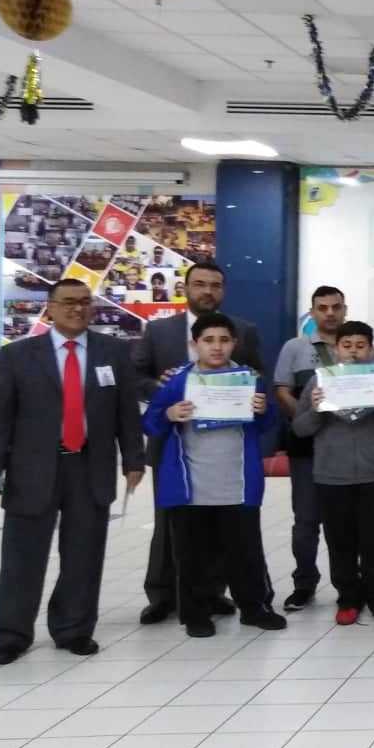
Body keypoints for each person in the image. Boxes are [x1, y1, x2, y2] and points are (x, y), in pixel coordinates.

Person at [0, 280, 144, 665]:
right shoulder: (17, 355)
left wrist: (133, 459)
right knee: (22, 557)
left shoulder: (113, 352)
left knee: (84, 554)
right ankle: (10, 634)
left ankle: (73, 629)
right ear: (51, 308)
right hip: (31, 469)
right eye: (68, 302)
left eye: (84, 301)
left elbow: (127, 411)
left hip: (90, 467)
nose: (77, 308)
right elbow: (0, 419)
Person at [134, 260, 264, 626]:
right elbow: (136, 375)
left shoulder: (244, 330)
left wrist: (254, 399)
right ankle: (163, 596)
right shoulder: (159, 330)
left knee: (223, 527)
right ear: (187, 287)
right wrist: (161, 391)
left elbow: (257, 374)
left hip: (227, 450)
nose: (208, 291)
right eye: (200, 284)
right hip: (175, 450)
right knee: (171, 528)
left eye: (215, 285)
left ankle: (213, 593)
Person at [141, 313, 286, 638]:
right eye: (208, 340)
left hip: (237, 482)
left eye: (224, 340)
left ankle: (254, 608)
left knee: (245, 552)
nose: (217, 347)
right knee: (192, 555)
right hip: (191, 485)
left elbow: (268, 424)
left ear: (234, 343)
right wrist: (169, 413)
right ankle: (196, 614)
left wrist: (263, 411)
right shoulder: (178, 380)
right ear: (195, 344)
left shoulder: (249, 379)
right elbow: (150, 423)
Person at [291, 320, 374, 625]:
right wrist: (316, 409)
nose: (354, 352)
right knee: (340, 540)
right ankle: (348, 597)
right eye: (347, 346)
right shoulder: (318, 382)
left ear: (370, 350)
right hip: (332, 475)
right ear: (336, 349)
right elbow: (300, 428)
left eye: (360, 346)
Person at [272, 285, 347, 612]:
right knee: (306, 520)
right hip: (306, 447)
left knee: (344, 521)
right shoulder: (295, 348)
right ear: (313, 312)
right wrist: (307, 417)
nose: (330, 313)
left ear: (344, 310)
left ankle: (348, 583)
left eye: (335, 307)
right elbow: (281, 390)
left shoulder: (355, 345)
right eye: (323, 308)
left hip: (345, 446)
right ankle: (304, 582)